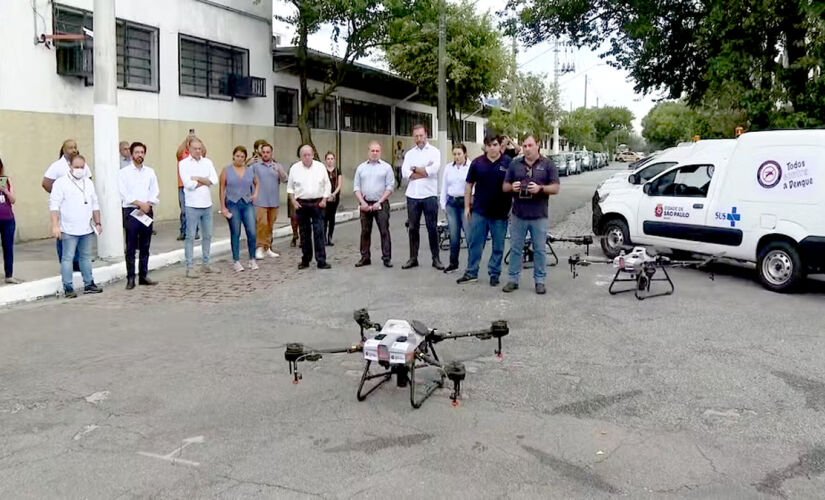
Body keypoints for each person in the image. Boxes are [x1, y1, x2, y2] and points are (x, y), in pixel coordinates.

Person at [502, 134, 560, 294]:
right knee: (515, 249)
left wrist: (540, 188)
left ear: (537, 145)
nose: (527, 149)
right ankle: (513, 280)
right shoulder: (515, 164)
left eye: (530, 145)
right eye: (525, 146)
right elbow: (504, 187)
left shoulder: (548, 164)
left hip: (539, 215)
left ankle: (540, 281)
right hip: (518, 214)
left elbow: (555, 187)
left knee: (540, 249)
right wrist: (512, 187)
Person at [456, 136, 512, 286]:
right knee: (475, 243)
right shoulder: (477, 163)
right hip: (480, 212)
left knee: (498, 246)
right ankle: (471, 272)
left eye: (495, 144)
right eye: (489, 145)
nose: (492, 148)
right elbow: (468, 185)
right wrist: (467, 206)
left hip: (500, 214)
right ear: (485, 147)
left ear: (500, 146)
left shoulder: (508, 162)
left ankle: (494, 273)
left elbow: (514, 185)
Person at [49, 154, 103, 298]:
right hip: (68, 228)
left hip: (86, 228)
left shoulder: (88, 183)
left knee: (85, 257)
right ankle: (68, 286)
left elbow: (95, 204)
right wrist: (55, 226)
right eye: (76, 167)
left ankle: (89, 283)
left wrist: (98, 222)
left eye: (81, 167)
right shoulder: (61, 183)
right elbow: (54, 206)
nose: (79, 169)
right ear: (70, 167)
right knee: (68, 258)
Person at [401, 124, 443, 270]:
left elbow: (434, 170)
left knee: (432, 228)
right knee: (413, 228)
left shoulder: (434, 152)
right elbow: (405, 173)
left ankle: (436, 259)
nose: (419, 139)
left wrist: (416, 170)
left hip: (429, 195)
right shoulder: (409, 154)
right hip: (412, 195)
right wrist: (423, 171)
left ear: (426, 135)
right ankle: (413, 258)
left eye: (421, 135)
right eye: (416, 136)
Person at [42, 139, 91, 265]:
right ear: (63, 150)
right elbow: (46, 183)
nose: (73, 150)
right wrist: (60, 196)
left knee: (82, 236)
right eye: (70, 147)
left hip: (81, 209)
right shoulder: (57, 166)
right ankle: (67, 264)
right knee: (65, 237)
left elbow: (89, 181)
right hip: (65, 209)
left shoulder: (83, 165)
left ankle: (79, 263)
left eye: (75, 147)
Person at [118, 142, 159, 289]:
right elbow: (124, 193)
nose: (139, 155)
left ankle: (143, 275)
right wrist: (139, 204)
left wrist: (148, 204)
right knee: (130, 246)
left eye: (142, 152)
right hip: (131, 211)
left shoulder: (150, 172)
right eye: (137, 152)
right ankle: (130, 278)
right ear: (131, 153)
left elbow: (155, 191)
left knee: (145, 245)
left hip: (147, 211)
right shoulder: (124, 173)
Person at [179, 138, 219, 278]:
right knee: (190, 236)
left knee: (207, 235)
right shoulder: (183, 164)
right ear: (189, 149)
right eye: (195, 148)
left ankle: (206, 264)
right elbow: (188, 184)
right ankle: (189, 266)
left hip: (207, 204)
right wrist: (205, 181)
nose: (198, 151)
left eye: (199, 148)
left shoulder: (207, 162)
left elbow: (214, 180)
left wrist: (198, 179)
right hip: (192, 205)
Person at [287, 145, 331, 270]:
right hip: (302, 203)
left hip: (318, 203)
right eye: (303, 155)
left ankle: (321, 260)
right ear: (300, 156)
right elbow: (290, 188)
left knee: (319, 232)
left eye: (308, 154)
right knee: (304, 233)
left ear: (313, 155)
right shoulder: (295, 168)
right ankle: (305, 259)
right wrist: (293, 201)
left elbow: (327, 185)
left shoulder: (320, 167)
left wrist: (324, 199)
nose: (306, 157)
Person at [353, 142, 394, 268]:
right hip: (365, 203)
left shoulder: (386, 167)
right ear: (368, 152)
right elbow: (356, 187)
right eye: (372, 150)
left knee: (384, 231)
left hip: (381, 204)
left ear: (380, 152)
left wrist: (380, 201)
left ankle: (386, 258)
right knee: (365, 231)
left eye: (377, 151)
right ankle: (365, 257)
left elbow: (390, 187)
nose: (375, 153)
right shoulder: (361, 168)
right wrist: (362, 202)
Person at [220, 146, 259, 272]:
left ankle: (252, 259)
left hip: (247, 203)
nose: (240, 158)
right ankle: (236, 260)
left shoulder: (249, 170)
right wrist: (223, 207)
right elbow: (221, 189)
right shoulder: (226, 170)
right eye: (237, 156)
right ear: (233, 156)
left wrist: (255, 194)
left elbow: (256, 183)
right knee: (235, 232)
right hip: (232, 203)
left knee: (252, 231)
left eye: (242, 156)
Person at [439, 144, 470, 273]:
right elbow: (444, 186)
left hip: (465, 203)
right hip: (452, 203)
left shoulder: (471, 166)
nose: (457, 157)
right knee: (453, 235)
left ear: (465, 154)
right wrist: (443, 204)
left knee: (469, 235)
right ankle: (453, 263)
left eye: (459, 154)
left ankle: (471, 266)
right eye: (455, 154)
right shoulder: (448, 168)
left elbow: (475, 186)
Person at [251, 143, 286, 259]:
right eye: (264, 152)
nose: (265, 154)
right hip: (260, 200)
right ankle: (259, 247)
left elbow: (286, 179)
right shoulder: (256, 166)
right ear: (261, 153)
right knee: (262, 224)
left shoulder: (277, 166)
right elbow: (247, 176)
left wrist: (279, 171)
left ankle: (268, 247)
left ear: (271, 153)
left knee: (270, 225)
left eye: (268, 152)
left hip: (273, 201)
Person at [176, 132, 206, 241]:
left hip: (195, 186)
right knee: (184, 210)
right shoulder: (183, 154)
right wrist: (186, 140)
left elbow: (204, 151)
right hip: (182, 186)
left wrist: (197, 139)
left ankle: (195, 232)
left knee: (194, 208)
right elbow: (178, 152)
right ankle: (183, 231)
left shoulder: (198, 156)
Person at [0, 157, 22, 284]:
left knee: (8, 247)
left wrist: (6, 191)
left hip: (7, 219)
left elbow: (13, 200)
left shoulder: (6, 180)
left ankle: (9, 274)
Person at [323, 151, 343, 246]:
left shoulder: (337, 170)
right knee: (324, 217)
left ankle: (330, 237)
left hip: (334, 197)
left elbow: (339, 184)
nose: (330, 161)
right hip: (325, 197)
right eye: (328, 159)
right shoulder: (322, 170)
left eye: (332, 159)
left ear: (334, 160)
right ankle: (323, 238)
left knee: (331, 217)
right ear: (325, 160)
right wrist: (326, 195)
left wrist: (333, 194)